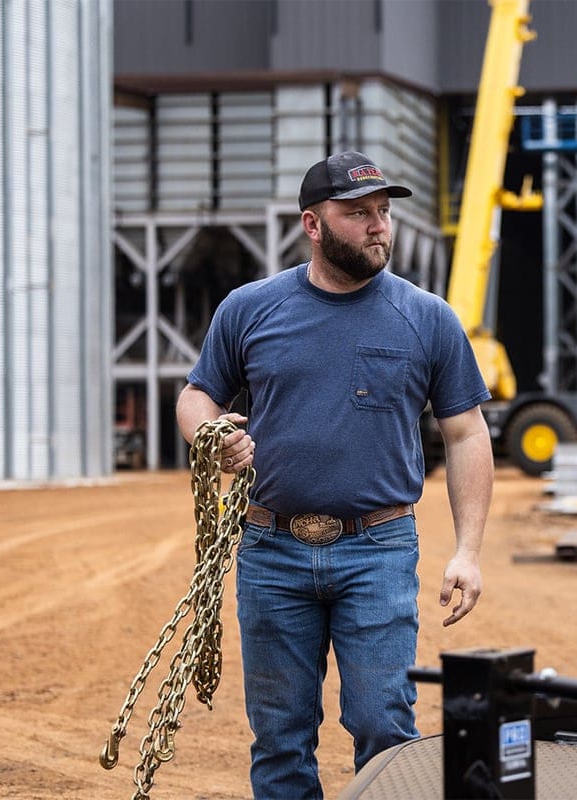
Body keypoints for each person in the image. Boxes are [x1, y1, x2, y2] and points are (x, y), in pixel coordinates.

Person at [175, 150, 494, 800]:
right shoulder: (251, 309)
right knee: (282, 737)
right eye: (358, 214)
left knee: (383, 724)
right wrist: (213, 437)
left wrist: (468, 550)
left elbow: (466, 432)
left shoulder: (427, 317)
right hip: (271, 552)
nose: (379, 226)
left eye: (383, 212)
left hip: (377, 550)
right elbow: (196, 396)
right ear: (313, 226)